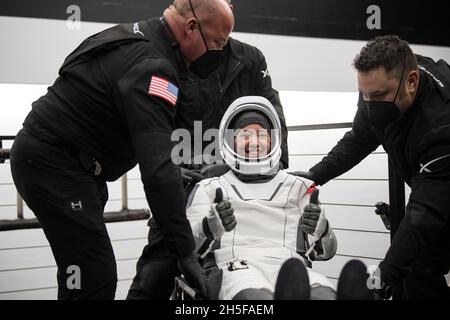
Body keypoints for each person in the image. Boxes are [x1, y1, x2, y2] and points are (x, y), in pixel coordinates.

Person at [9, 0, 234, 299]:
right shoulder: (155, 69)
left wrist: (169, 167)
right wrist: (185, 253)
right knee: (94, 277)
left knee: (79, 271)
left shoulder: (131, 35)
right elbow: (156, 172)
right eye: (218, 43)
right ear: (191, 28)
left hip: (54, 159)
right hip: (55, 164)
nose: (219, 53)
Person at [126, 0, 290, 299]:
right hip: (182, 191)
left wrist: (277, 173)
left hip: (237, 194)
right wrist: (174, 174)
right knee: (155, 276)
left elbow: (272, 116)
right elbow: (154, 129)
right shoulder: (174, 58)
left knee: (234, 278)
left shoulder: (250, 59)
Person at [303, 35, 450, 299]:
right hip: (433, 194)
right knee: (416, 266)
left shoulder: (441, 126)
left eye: (378, 95)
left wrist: (381, 280)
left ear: (412, 82)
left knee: (411, 258)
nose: (369, 103)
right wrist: (314, 176)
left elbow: (423, 215)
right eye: (364, 94)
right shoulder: (379, 87)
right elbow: (360, 138)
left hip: (439, 193)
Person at [185, 96, 338, 300]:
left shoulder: (300, 188)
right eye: (245, 134)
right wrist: (210, 227)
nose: (255, 141)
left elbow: (327, 252)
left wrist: (322, 229)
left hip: (292, 268)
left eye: (261, 134)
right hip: (237, 270)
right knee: (255, 299)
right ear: (230, 141)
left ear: (273, 140)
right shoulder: (209, 187)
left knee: (324, 296)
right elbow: (188, 250)